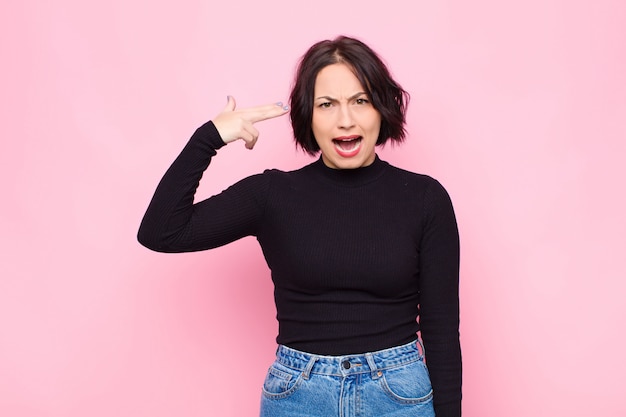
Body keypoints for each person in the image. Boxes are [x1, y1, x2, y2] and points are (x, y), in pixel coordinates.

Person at [138, 35, 461, 417]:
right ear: (308, 114)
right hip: (299, 397)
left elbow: (441, 329)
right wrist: (209, 137)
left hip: (399, 395)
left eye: (361, 101)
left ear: (382, 108)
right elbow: (161, 231)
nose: (345, 120)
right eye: (327, 104)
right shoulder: (272, 194)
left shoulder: (425, 198)